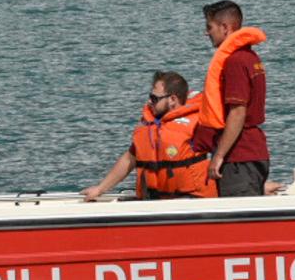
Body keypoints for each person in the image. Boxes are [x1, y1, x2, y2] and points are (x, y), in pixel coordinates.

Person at [83, 71, 214, 201]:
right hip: (154, 200)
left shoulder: (199, 124)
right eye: (150, 96)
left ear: (173, 99)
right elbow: (129, 159)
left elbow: (222, 151)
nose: (150, 102)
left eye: (155, 98)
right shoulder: (149, 126)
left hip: (193, 200)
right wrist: (100, 189)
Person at [192, 0, 270, 196]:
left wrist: (218, 156)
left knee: (241, 222)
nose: (206, 32)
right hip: (254, 152)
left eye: (209, 27)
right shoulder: (251, 58)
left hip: (239, 157)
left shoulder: (234, 61)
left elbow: (237, 112)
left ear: (225, 27)